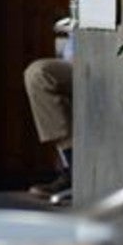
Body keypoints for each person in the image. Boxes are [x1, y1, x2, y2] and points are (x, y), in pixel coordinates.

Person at [23, 11, 75, 202]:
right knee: (39, 75)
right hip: (76, 59)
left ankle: (73, 171)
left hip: (108, 54)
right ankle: (73, 166)